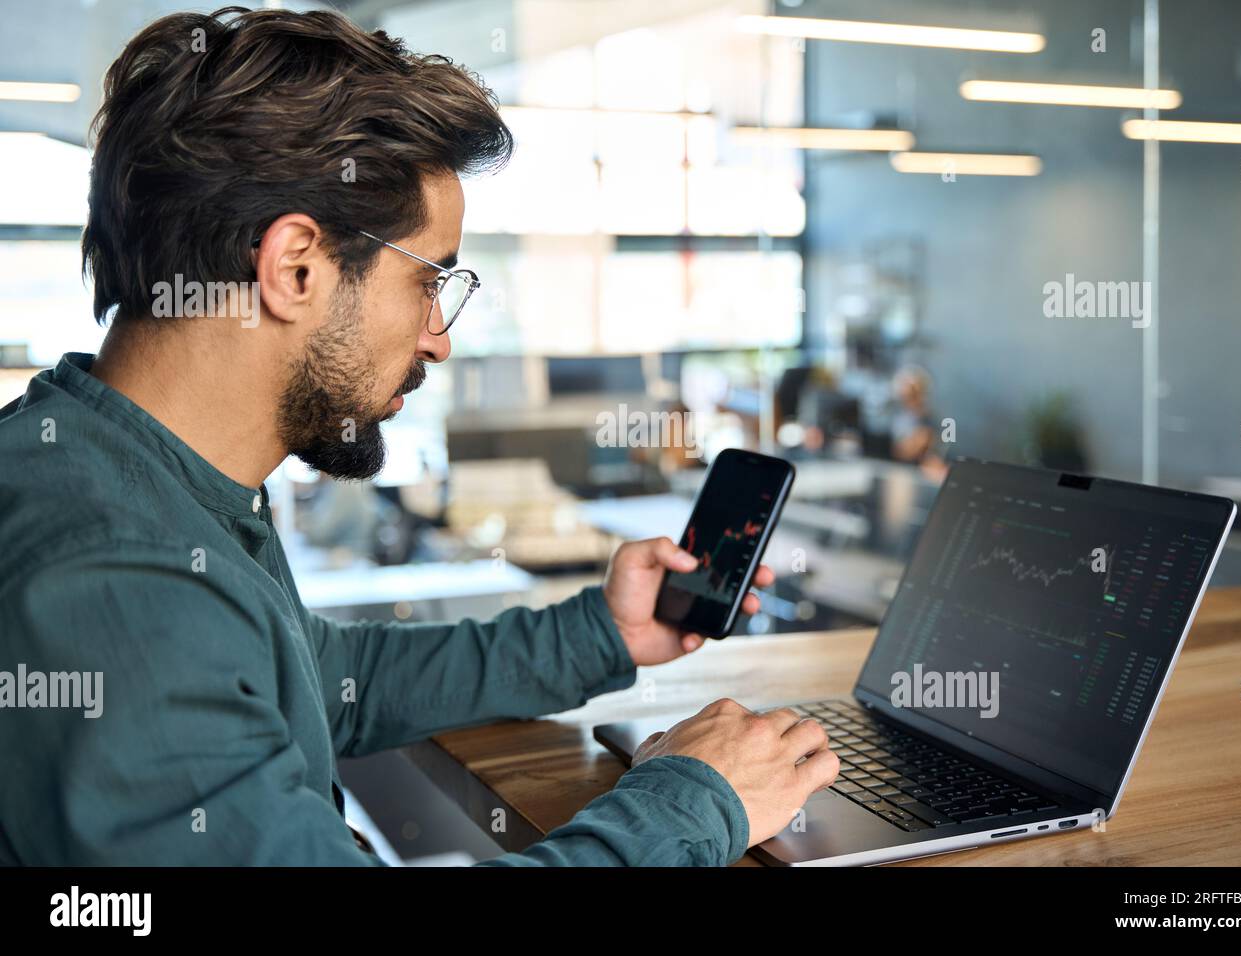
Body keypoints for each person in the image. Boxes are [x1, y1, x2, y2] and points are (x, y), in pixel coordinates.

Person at [0, 7, 838, 865]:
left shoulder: (128, 476)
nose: (439, 338)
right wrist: (693, 800)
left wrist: (600, 635)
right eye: (430, 280)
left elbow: (328, 683)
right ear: (295, 267)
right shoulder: (119, 584)